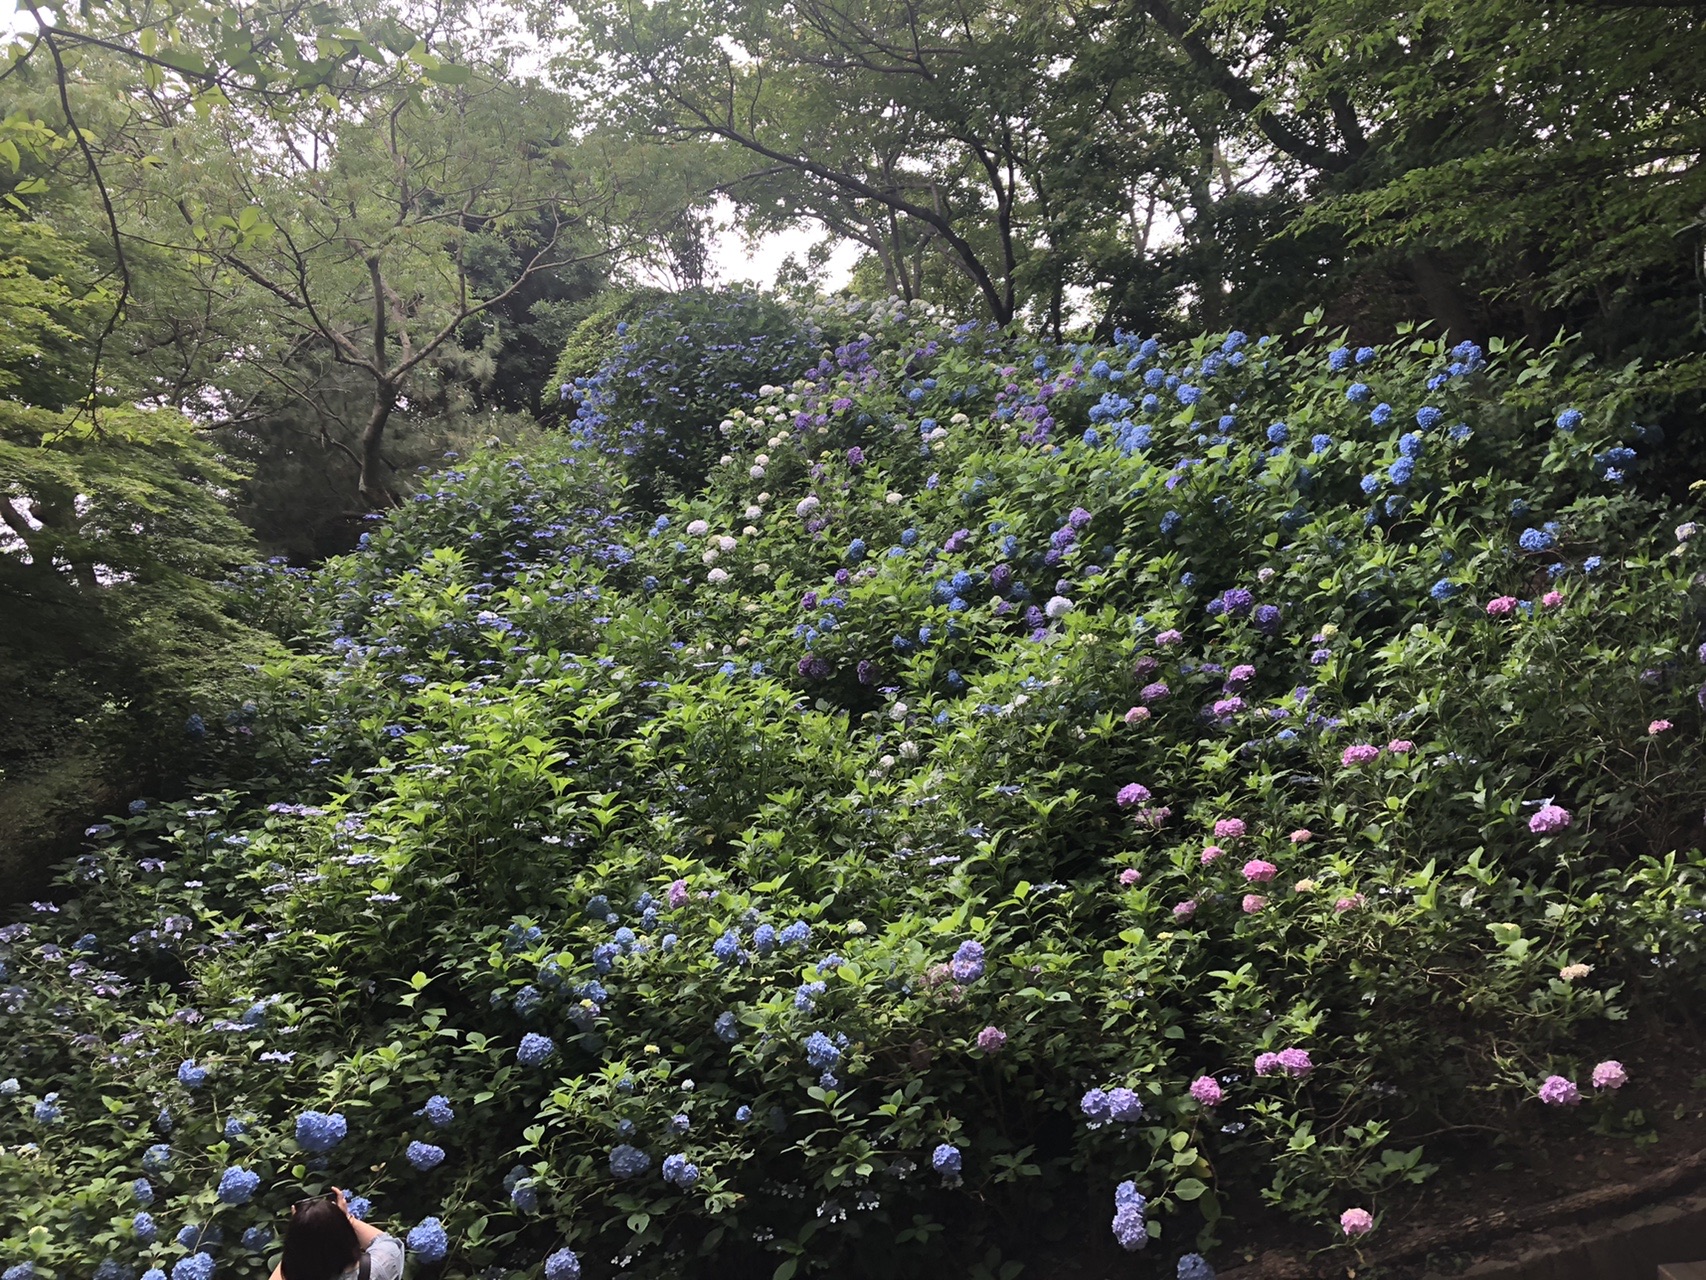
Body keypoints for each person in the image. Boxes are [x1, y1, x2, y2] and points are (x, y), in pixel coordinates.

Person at [267, 1188, 404, 1280]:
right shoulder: (378, 1267)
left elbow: (291, 1265)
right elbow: (386, 1242)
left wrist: (300, 1234)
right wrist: (347, 1218)